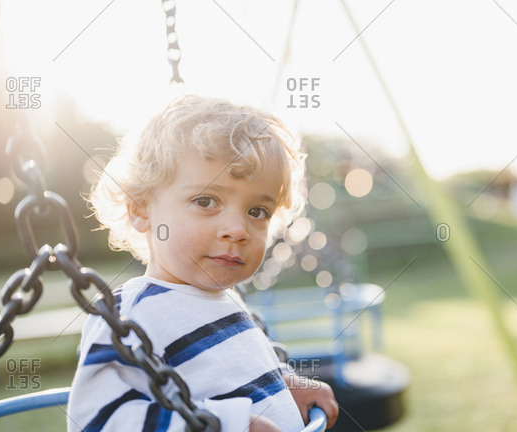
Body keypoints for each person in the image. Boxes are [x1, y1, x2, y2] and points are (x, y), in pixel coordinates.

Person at [67, 95, 339, 432]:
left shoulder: (228, 300)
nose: (237, 230)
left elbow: (237, 372)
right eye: (206, 201)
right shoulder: (130, 316)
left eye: (257, 212)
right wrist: (225, 425)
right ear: (140, 209)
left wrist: (286, 386)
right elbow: (101, 419)